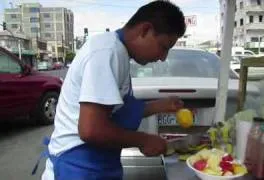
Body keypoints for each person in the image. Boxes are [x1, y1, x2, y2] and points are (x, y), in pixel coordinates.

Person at [37, 1, 186, 180]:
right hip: (77, 166)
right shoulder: (107, 52)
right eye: (163, 47)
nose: (163, 57)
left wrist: (161, 105)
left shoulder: (119, 52)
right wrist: (143, 140)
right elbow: (91, 130)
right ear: (145, 30)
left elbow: (117, 111)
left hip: (97, 164)